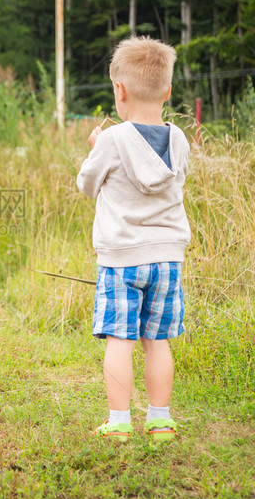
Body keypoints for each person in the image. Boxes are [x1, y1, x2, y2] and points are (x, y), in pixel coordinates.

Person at [76, 36, 191, 442]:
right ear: (168, 91)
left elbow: (87, 185)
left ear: (119, 91)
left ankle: (119, 422)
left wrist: (94, 149)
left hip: (121, 258)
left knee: (120, 341)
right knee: (157, 341)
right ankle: (160, 420)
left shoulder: (110, 140)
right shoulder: (179, 139)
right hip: (167, 258)